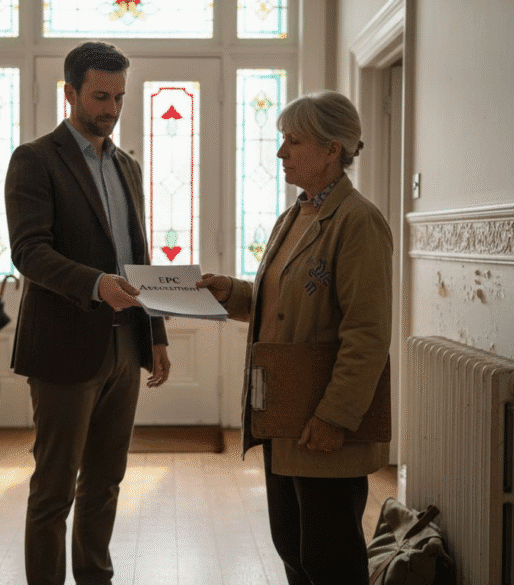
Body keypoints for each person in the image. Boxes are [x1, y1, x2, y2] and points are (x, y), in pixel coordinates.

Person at [197, 90, 392, 584]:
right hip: (283, 412)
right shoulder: (295, 216)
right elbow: (286, 306)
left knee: (330, 559)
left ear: (332, 149)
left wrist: (335, 416)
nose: (281, 152)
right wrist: (233, 293)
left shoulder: (358, 221)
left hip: (321, 418)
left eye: (294, 141)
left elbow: (367, 335)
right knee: (292, 546)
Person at [4, 41, 172, 585]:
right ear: (70, 93)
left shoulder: (128, 167)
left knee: (105, 482)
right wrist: (97, 284)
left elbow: (138, 257)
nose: (112, 109)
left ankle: (96, 577)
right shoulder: (34, 159)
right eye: (100, 97)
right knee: (54, 491)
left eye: (119, 97)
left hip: (126, 344)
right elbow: (29, 251)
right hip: (62, 346)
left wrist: (156, 335)